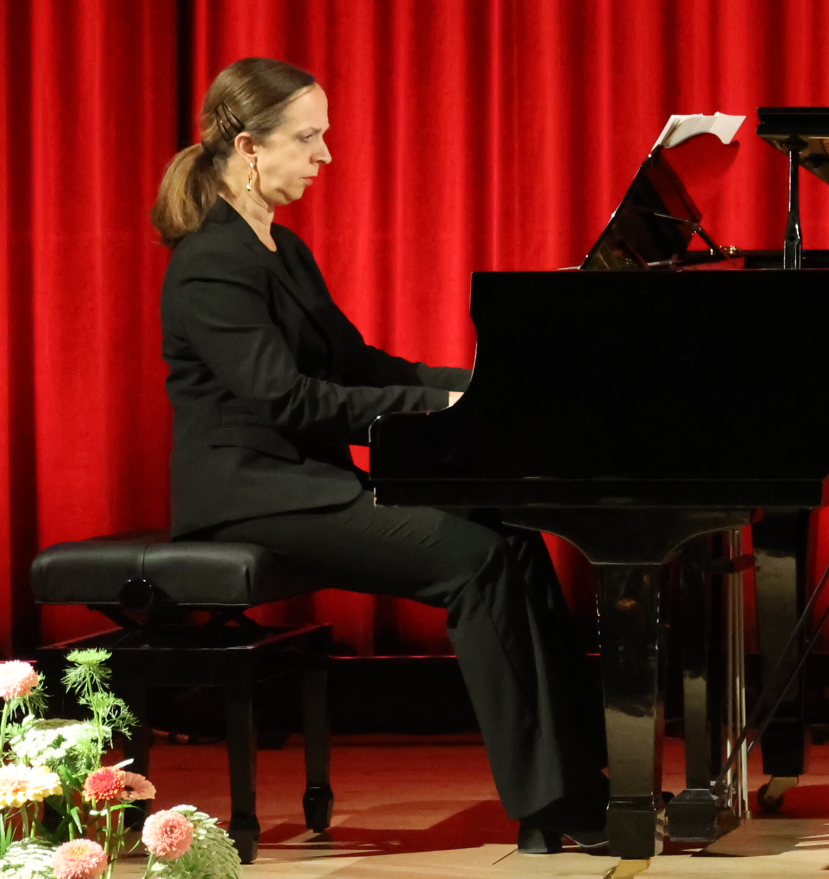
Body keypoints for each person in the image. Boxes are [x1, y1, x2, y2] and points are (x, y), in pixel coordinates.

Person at [153, 57, 609, 852]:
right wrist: (439, 410)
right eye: (308, 138)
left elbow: (357, 365)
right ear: (250, 147)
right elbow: (285, 399)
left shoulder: (281, 248)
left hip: (302, 481)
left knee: (512, 535)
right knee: (475, 561)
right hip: (251, 492)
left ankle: (590, 778)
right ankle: (553, 806)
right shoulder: (211, 262)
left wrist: (481, 388)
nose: (325, 154)